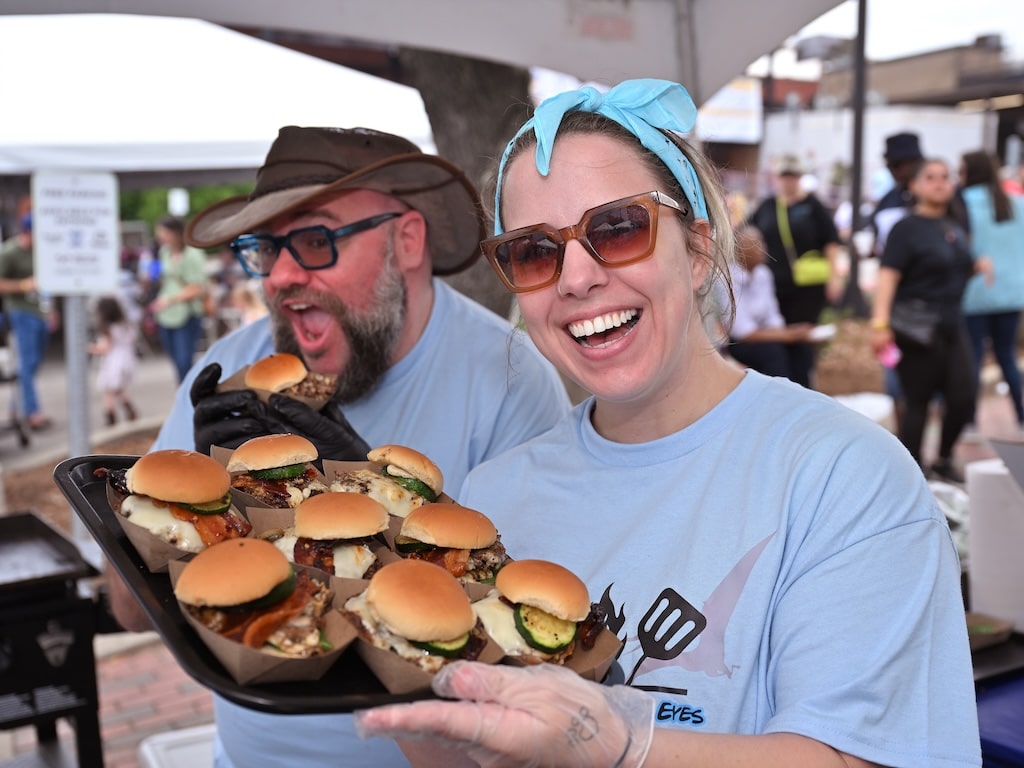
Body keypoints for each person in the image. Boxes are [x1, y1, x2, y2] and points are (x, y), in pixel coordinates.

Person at [355, 79, 981, 767]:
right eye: (534, 251)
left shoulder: (843, 474)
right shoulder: (492, 500)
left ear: (699, 248)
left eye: (617, 228)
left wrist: (622, 745)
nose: (577, 277)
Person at [107, 125, 572, 768]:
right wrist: (194, 505)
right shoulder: (229, 369)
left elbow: (535, 656)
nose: (282, 277)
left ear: (405, 241)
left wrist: (359, 489)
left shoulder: (512, 382)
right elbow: (129, 611)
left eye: (316, 240)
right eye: (266, 249)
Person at [869, 158, 989, 484]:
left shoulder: (952, 226)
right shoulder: (906, 228)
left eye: (945, 177)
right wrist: (880, 324)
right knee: (918, 403)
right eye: (931, 178)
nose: (940, 183)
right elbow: (888, 277)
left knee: (964, 396)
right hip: (915, 327)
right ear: (916, 186)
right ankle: (913, 473)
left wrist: (977, 266)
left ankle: (944, 458)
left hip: (952, 324)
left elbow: (952, 266)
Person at [748, 154, 842, 388]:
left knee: (803, 338)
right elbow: (748, 234)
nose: (788, 181)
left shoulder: (813, 206)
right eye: (784, 176)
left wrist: (834, 277)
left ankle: (803, 386)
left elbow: (831, 241)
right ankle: (785, 386)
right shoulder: (768, 206)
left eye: (793, 176)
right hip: (774, 287)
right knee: (780, 338)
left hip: (808, 288)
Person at [959, 149, 1024, 432]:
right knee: (1007, 356)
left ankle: (971, 422)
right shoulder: (1016, 203)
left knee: (973, 358)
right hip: (1011, 293)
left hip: (974, 294)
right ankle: (1021, 417)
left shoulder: (962, 204)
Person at [724, 225, 814, 379]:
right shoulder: (727, 280)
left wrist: (791, 334)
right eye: (756, 244)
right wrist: (787, 335)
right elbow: (742, 332)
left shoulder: (763, 275)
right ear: (739, 250)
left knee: (800, 347)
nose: (763, 248)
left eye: (762, 242)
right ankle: (778, 400)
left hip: (764, 334)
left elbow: (773, 317)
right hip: (736, 343)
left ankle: (803, 396)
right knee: (773, 352)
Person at [0, 212, 58, 430]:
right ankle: (32, 413)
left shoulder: (40, 253)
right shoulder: (9, 252)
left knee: (33, 363)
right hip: (20, 311)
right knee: (27, 361)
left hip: (40, 310)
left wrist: (51, 310)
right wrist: (24, 285)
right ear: (27, 232)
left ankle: (20, 405)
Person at [150, 214, 207, 383]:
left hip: (186, 313)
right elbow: (162, 278)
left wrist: (170, 300)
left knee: (185, 361)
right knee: (176, 361)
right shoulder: (164, 253)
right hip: (166, 314)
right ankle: (183, 394)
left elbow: (198, 286)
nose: (161, 238)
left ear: (175, 233)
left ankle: (189, 396)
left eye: (164, 233)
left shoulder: (193, 254)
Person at [88, 296, 138, 426]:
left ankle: (110, 415)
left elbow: (105, 348)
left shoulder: (108, 329)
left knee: (108, 390)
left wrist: (90, 348)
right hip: (127, 359)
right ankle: (128, 407)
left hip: (113, 363)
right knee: (117, 389)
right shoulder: (125, 325)